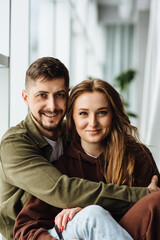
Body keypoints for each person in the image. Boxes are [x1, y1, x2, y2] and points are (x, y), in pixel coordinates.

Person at [0, 57, 150, 240]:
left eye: (59, 95)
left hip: (71, 224)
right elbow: (63, 191)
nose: (52, 106)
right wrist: (143, 195)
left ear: (68, 97)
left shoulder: (73, 132)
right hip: (33, 233)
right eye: (42, 95)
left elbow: (107, 137)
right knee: (92, 216)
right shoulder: (14, 144)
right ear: (26, 97)